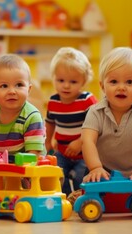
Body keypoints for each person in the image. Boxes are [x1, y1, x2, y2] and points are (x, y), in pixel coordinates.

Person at [82, 47, 132, 183]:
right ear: (102, 86)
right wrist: (95, 167)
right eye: (114, 81)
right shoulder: (95, 112)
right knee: (84, 193)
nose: (121, 87)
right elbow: (88, 141)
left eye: (129, 82)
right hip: (103, 172)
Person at [45, 47, 97, 196]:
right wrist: (48, 140)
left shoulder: (87, 100)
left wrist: (80, 141)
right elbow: (50, 122)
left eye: (73, 81)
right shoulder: (53, 101)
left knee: (81, 177)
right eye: (61, 80)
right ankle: (66, 198)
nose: (66, 85)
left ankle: (82, 198)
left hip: (85, 153)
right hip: (62, 152)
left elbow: (96, 125)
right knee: (56, 175)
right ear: (53, 78)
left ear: (84, 81)